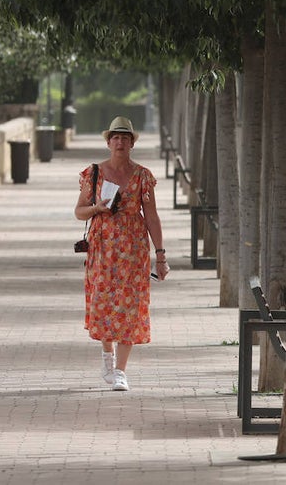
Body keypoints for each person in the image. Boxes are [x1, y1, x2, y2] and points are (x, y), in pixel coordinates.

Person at [74, 116, 169, 391]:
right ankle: (108, 356)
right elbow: (79, 211)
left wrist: (161, 256)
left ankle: (120, 371)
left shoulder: (142, 176)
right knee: (103, 301)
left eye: (125, 138)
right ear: (108, 142)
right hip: (102, 247)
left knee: (130, 305)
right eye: (115, 138)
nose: (120, 142)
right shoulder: (94, 173)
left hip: (133, 248)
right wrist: (97, 208)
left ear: (132, 144)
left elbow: (152, 216)